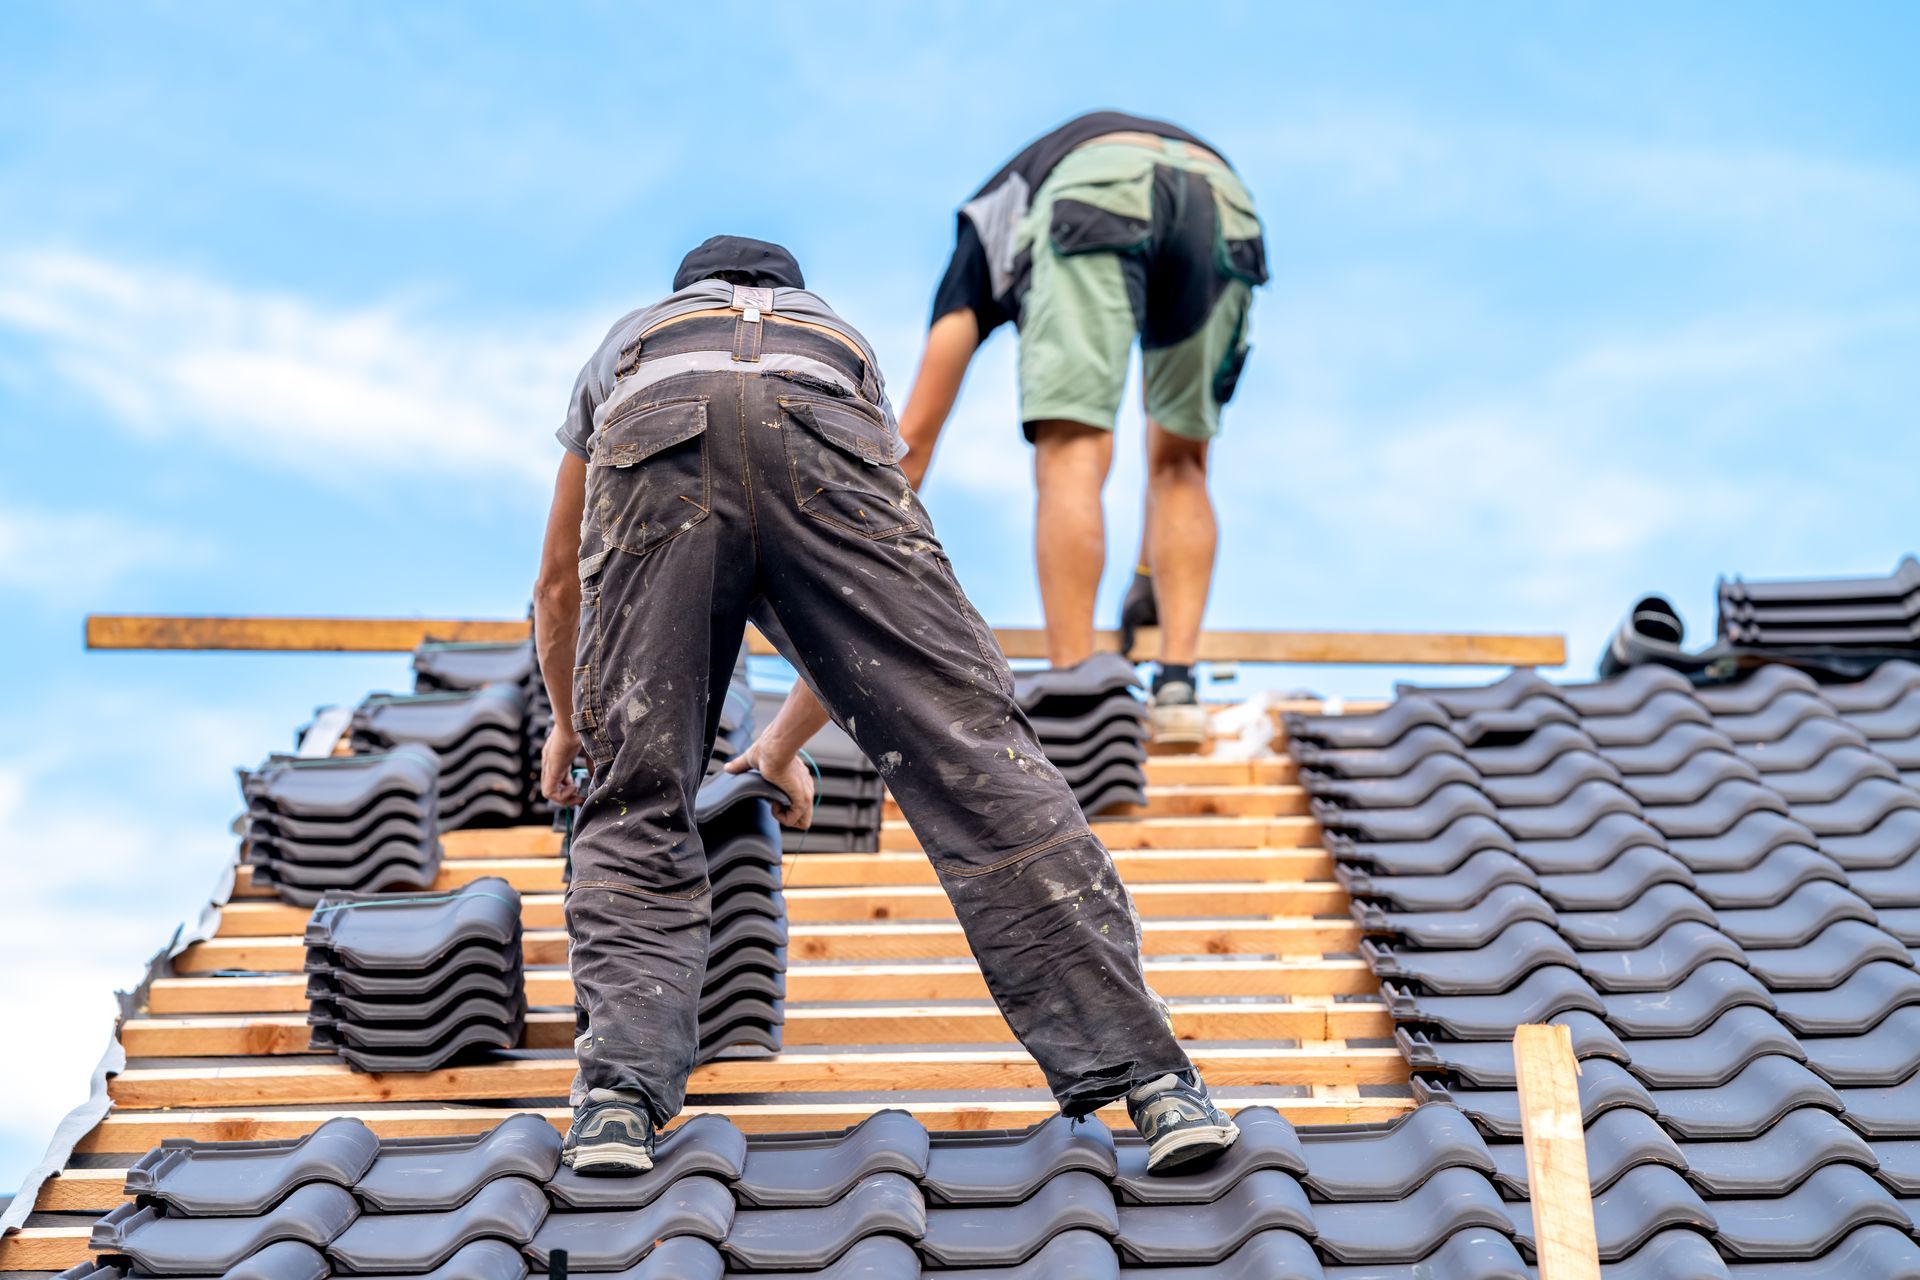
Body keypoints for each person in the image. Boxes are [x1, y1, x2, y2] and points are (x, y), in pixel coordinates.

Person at [533, 235, 1239, 1177]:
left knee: (636, 794)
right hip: (821, 432)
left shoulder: (630, 343)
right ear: (789, 291)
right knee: (978, 761)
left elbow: (554, 586)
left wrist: (577, 728)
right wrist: (784, 745)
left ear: (686, 292)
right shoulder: (835, 340)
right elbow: (863, 633)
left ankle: (616, 1106)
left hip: (652, 442)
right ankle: (1157, 1086)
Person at [892, 111, 1268, 744]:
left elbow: (913, 447)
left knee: (1073, 449)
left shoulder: (979, 238)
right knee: (1182, 463)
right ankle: (1177, 687)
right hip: (1223, 198)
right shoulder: (1016, 197)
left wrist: (850, 554)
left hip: (1096, 188)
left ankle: (1075, 693)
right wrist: (1143, 579)